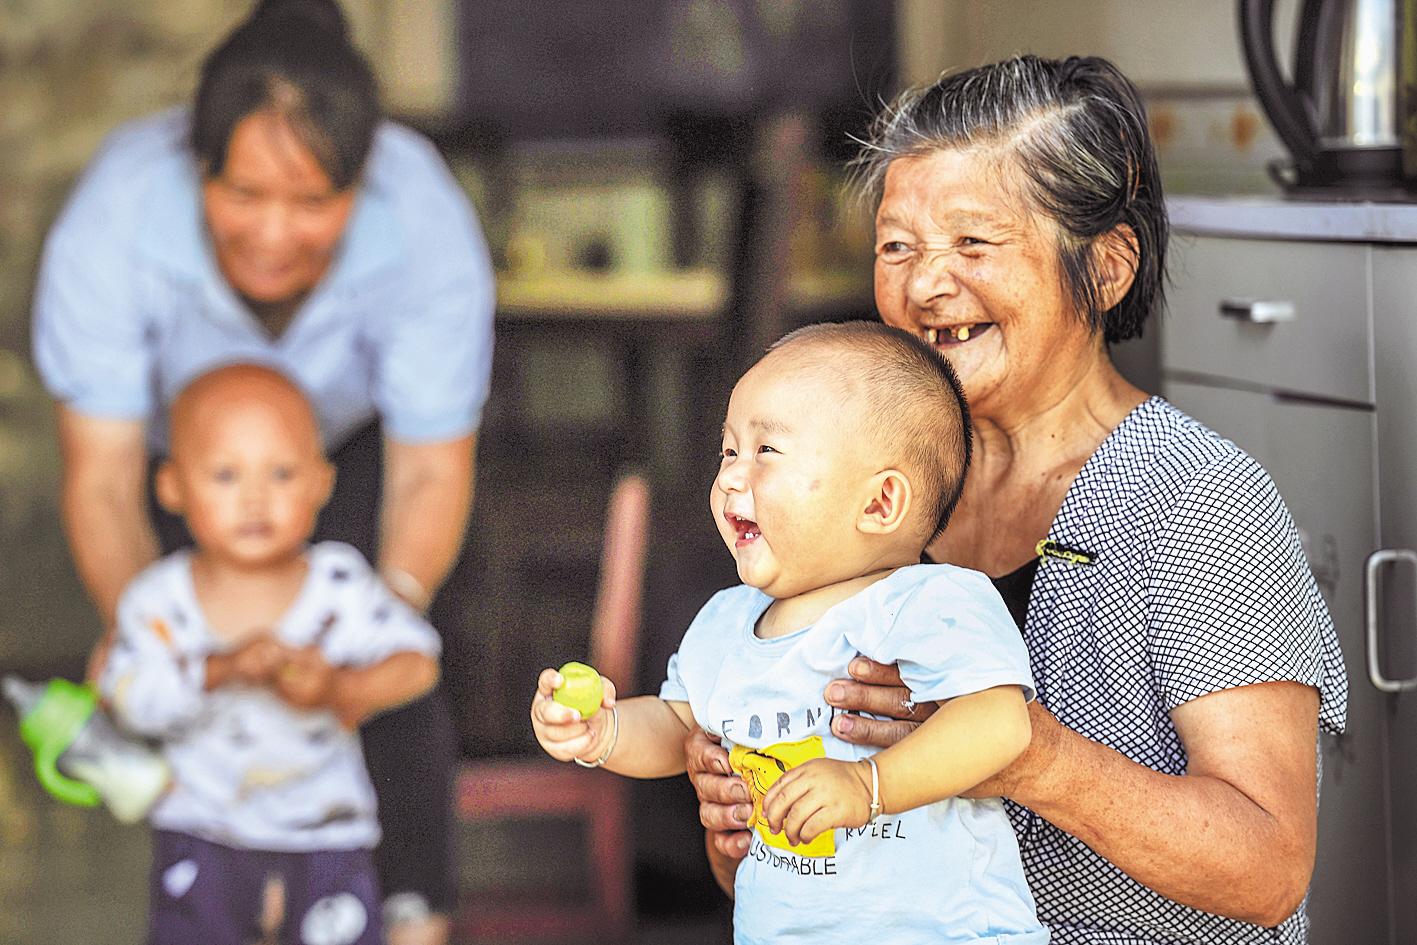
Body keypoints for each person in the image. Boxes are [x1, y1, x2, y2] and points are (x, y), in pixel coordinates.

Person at [685, 55, 1348, 944]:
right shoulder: (857, 503)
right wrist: (744, 820)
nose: (924, 284)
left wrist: (1032, 757)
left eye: (972, 242)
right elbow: (795, 867)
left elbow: (1268, 866)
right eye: (897, 246)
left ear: (1106, 267)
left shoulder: (1192, 498)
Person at [30, 1, 492, 940]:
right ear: (194, 165)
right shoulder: (114, 219)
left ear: (363, 184)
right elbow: (105, 473)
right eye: (242, 193)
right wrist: (151, 635)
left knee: (396, 661)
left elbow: (429, 473)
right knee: (184, 701)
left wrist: (366, 639)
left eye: (315, 201)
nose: (274, 233)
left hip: (355, 445)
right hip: (177, 455)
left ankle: (412, 916)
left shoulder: (426, 221)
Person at [532, 322, 1050, 944]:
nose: (729, 477)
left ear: (880, 504)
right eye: (728, 451)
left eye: (766, 453)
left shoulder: (929, 602)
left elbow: (999, 723)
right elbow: (676, 728)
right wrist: (603, 732)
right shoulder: (725, 620)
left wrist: (870, 784)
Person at [99, 363, 442, 945]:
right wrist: (220, 669)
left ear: (321, 483)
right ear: (172, 487)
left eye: (281, 473)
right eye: (226, 475)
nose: (255, 498)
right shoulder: (158, 602)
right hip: (202, 834)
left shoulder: (339, 587)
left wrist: (340, 689)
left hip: (327, 839)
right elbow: (127, 697)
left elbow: (417, 664)